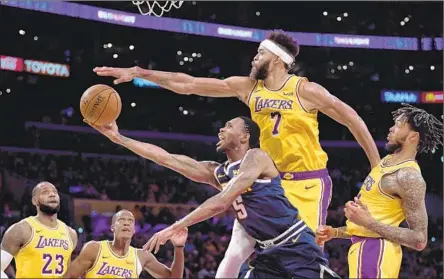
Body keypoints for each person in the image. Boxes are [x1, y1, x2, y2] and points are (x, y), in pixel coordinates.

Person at [93, 29, 379, 278]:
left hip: (308, 182)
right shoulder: (248, 88)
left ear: (277, 59)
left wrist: (376, 167)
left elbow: (352, 118)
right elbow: (189, 84)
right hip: (266, 182)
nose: (254, 58)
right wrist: (141, 73)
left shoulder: (306, 90)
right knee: (235, 252)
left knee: (304, 257)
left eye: (260, 53)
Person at [85, 116, 340, 278]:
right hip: (267, 254)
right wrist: (118, 138)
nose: (221, 129)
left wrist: (175, 226)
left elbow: (222, 201)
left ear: (245, 136)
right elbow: (165, 158)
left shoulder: (256, 157)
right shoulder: (217, 171)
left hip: (296, 245)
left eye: (229, 126)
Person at [315, 104, 443, 278]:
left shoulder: (408, 176)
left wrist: (368, 223)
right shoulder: (387, 162)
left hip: (377, 253)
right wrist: (335, 232)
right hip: (365, 249)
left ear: (413, 136)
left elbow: (419, 239)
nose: (391, 128)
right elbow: (368, 224)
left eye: (398, 125)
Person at [63, 209, 186, 278]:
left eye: (130, 221)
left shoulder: (142, 256)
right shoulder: (94, 248)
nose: (126, 223)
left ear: (134, 229)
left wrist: (179, 247)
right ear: (112, 228)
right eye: (121, 220)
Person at [1, 182, 77, 278]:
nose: (52, 194)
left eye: (55, 192)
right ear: (35, 201)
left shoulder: (71, 233)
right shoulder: (21, 230)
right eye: (45, 192)